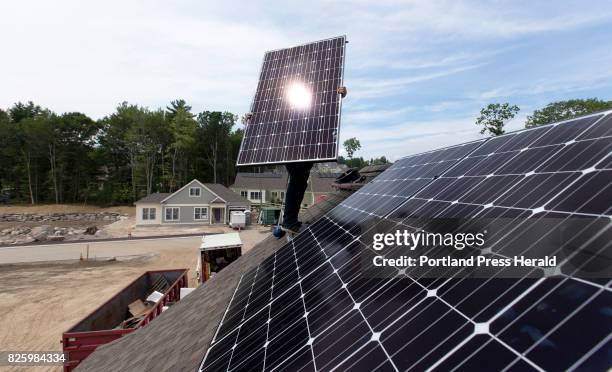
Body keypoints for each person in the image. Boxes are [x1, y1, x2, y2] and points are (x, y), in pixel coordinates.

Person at [245, 86, 348, 235]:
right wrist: (252, 118)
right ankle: (289, 222)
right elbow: (269, 117)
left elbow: (322, 107)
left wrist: (338, 97)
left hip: (306, 146)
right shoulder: (283, 104)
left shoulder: (309, 101)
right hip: (292, 146)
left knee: (300, 180)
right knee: (297, 180)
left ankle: (289, 220)